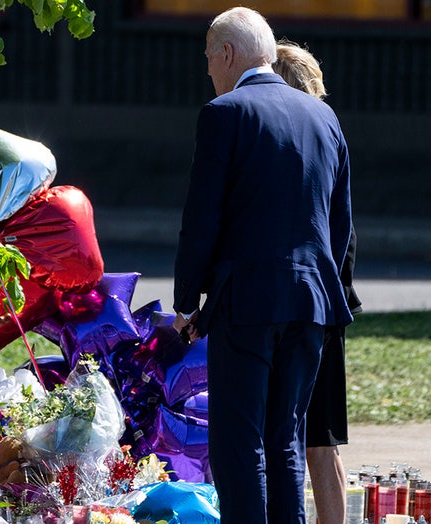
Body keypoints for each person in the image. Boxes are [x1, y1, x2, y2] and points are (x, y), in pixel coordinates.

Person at [172, 8, 353, 524]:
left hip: (247, 301)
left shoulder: (224, 112)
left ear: (227, 53)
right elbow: (339, 223)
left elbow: (201, 219)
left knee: (239, 440)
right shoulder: (325, 117)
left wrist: (188, 302)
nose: (208, 71)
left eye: (209, 59)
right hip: (313, 303)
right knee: (286, 439)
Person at [272, 41, 363, 524]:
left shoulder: (303, 142)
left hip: (313, 309)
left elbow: (338, 231)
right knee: (318, 441)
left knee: (315, 443)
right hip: (328, 302)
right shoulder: (327, 134)